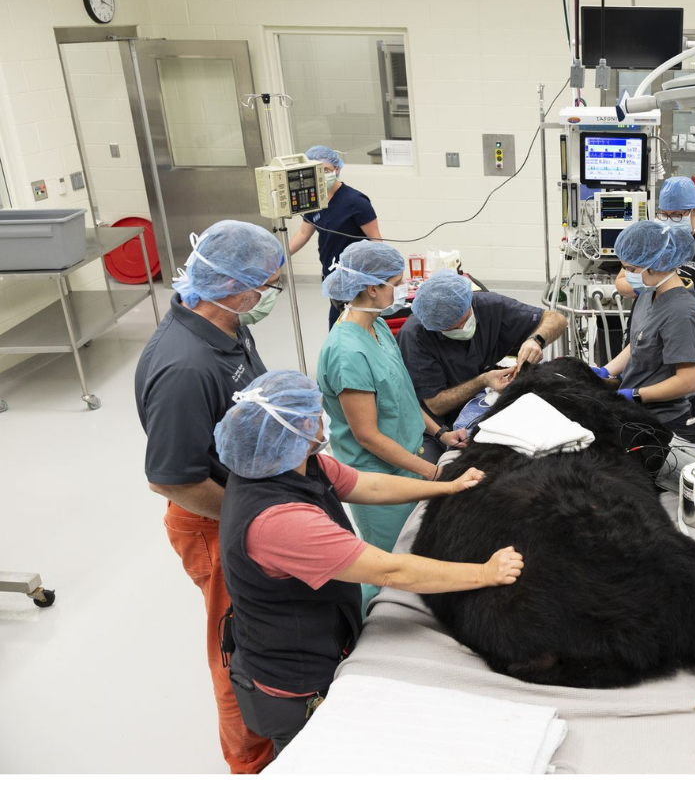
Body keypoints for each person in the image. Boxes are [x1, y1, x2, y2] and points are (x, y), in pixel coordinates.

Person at [214, 370, 523, 759]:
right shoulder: (279, 522)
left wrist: (446, 484)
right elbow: (389, 571)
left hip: (317, 642)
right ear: (293, 431)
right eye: (312, 415)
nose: (321, 418)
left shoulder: (300, 465)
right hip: (294, 687)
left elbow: (367, 485)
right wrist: (484, 573)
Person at [134, 219, 285, 774]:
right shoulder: (185, 366)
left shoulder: (224, 326)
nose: (271, 294)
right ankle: (250, 764)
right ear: (239, 288)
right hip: (210, 522)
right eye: (269, 284)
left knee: (262, 630)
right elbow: (171, 477)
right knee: (236, 648)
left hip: (242, 501)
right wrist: (250, 516)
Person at [316, 242, 467, 568]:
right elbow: (368, 435)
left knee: (418, 553)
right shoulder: (347, 354)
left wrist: (441, 434)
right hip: (378, 479)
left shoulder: (378, 326)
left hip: (408, 461)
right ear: (372, 289)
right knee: (389, 569)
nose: (402, 292)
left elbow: (401, 393)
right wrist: (433, 472)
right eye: (396, 285)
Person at [397, 270, 567, 457]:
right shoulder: (415, 336)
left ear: (470, 301)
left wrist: (536, 340)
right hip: (436, 427)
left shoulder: (490, 306)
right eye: (452, 328)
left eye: (463, 320)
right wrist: (483, 381)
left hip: (486, 407)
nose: (462, 329)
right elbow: (436, 405)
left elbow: (556, 319)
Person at [615, 176, 695, 427]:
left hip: (669, 406)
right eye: (664, 213)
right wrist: (607, 372)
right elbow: (637, 344)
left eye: (677, 214)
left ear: (694, 211)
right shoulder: (651, 278)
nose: (669, 219)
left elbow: (687, 382)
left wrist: (674, 300)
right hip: (651, 335)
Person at [596, 219, 695, 431]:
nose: (627, 275)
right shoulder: (649, 290)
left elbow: (688, 381)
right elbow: (640, 340)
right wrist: (606, 371)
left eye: (631, 268)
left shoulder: (681, 313)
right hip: (637, 413)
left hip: (662, 422)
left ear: (656, 265)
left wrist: (636, 395)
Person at [286, 145, 382, 329]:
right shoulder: (315, 200)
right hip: (333, 275)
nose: (322, 176)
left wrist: (378, 276)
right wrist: (279, 257)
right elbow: (303, 233)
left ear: (337, 169)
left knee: (355, 326)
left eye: (326, 170)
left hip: (356, 277)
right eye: (316, 172)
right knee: (338, 324)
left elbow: (376, 240)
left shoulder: (355, 201)